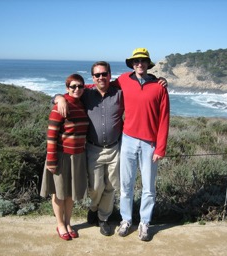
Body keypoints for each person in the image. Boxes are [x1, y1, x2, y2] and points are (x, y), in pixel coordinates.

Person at [54, 61, 124, 236]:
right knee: (96, 186)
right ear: (93, 77)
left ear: (110, 75)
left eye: (104, 74)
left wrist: (155, 79)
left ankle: (103, 218)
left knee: (111, 185)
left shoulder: (119, 94)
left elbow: (138, 86)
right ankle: (93, 208)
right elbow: (68, 95)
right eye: (97, 75)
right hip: (93, 148)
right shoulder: (86, 93)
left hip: (115, 147)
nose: (101, 77)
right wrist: (59, 98)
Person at [115, 48, 170, 241]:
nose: (140, 64)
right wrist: (62, 95)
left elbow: (164, 119)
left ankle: (144, 222)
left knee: (148, 187)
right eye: (136, 61)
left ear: (148, 63)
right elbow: (101, 87)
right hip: (128, 139)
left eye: (143, 61)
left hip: (150, 143)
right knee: (126, 185)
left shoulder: (159, 86)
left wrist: (160, 148)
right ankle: (126, 220)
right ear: (132, 63)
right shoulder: (122, 80)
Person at [40, 74, 89, 241]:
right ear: (67, 88)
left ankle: (69, 223)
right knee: (59, 193)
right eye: (73, 86)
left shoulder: (82, 104)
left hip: (77, 157)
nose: (77, 89)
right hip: (61, 156)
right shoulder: (60, 106)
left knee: (70, 193)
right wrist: (52, 160)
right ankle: (60, 224)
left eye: (80, 86)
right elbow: (52, 135)